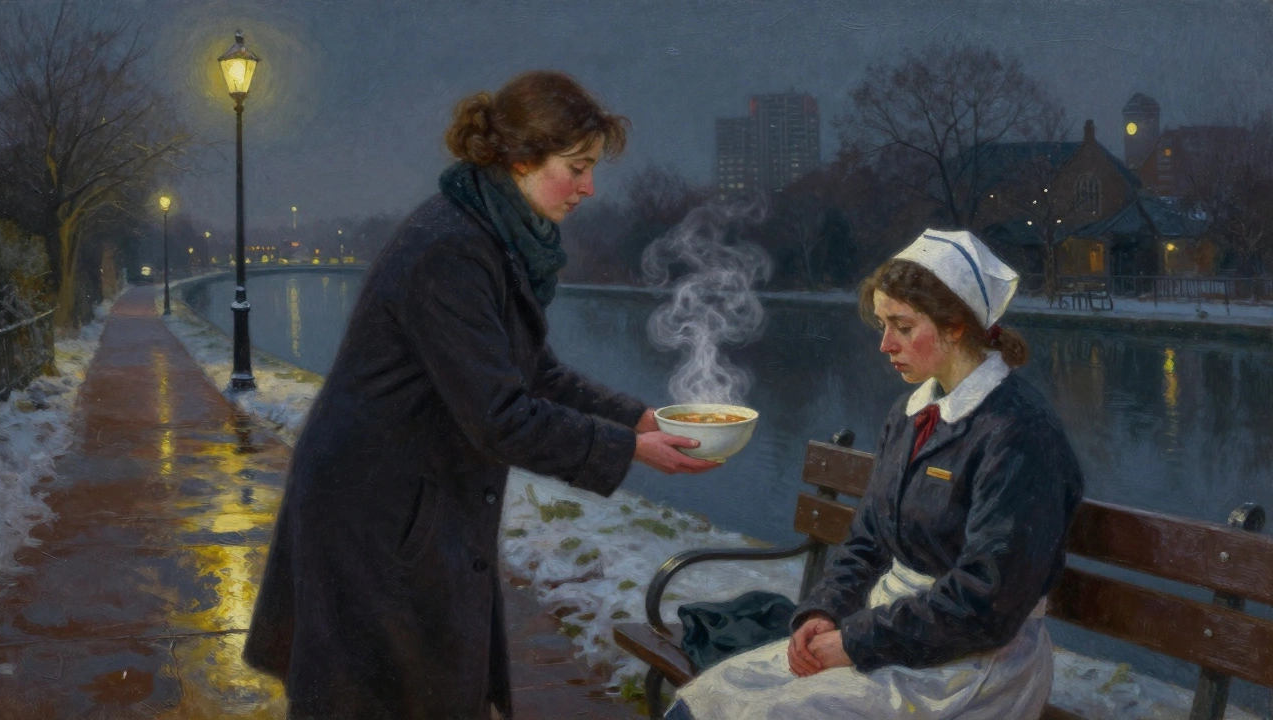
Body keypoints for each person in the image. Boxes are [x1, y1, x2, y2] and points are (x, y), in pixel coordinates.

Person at [243, 70, 720, 719]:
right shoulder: (452, 252)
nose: (588, 187)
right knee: (384, 698)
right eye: (576, 167)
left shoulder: (486, 234)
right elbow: (500, 416)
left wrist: (639, 416)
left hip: (407, 504)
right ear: (521, 160)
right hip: (376, 519)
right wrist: (631, 449)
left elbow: (535, 373)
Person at [666, 229, 1085, 720]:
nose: (885, 344)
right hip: (883, 635)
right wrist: (824, 612)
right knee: (701, 706)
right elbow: (866, 539)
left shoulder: (1017, 432)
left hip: (970, 667)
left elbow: (986, 605)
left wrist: (853, 641)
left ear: (955, 326)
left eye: (903, 327)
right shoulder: (910, 415)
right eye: (883, 325)